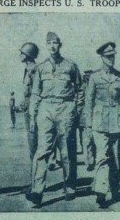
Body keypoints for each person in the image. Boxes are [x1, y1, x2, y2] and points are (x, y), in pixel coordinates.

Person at [28, 32, 84, 206]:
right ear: (46, 45)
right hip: (46, 109)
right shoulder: (41, 68)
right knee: (42, 151)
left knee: (67, 150)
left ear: (60, 45)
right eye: (49, 43)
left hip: (65, 107)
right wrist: (33, 115)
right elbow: (36, 93)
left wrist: (75, 108)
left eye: (55, 43)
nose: (52, 46)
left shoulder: (71, 66)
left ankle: (70, 186)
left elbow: (80, 89)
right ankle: (37, 190)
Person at [85, 42, 120, 208]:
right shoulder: (94, 77)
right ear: (102, 57)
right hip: (99, 122)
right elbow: (89, 101)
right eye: (108, 57)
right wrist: (88, 124)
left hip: (118, 122)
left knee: (117, 160)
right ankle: (100, 191)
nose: (111, 59)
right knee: (102, 156)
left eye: (113, 56)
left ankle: (114, 188)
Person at [19, 42, 39, 162]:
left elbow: (36, 92)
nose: (20, 55)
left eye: (22, 53)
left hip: (33, 111)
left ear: (28, 54)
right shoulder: (28, 69)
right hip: (28, 108)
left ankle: (36, 177)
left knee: (34, 143)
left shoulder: (34, 70)